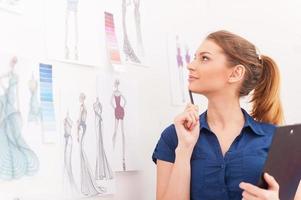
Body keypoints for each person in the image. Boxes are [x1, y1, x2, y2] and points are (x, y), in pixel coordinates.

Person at [151, 30, 300, 200]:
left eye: (204, 58)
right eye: (195, 57)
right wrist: (184, 150)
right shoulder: (175, 136)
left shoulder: (279, 140)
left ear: (236, 73)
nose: (191, 65)